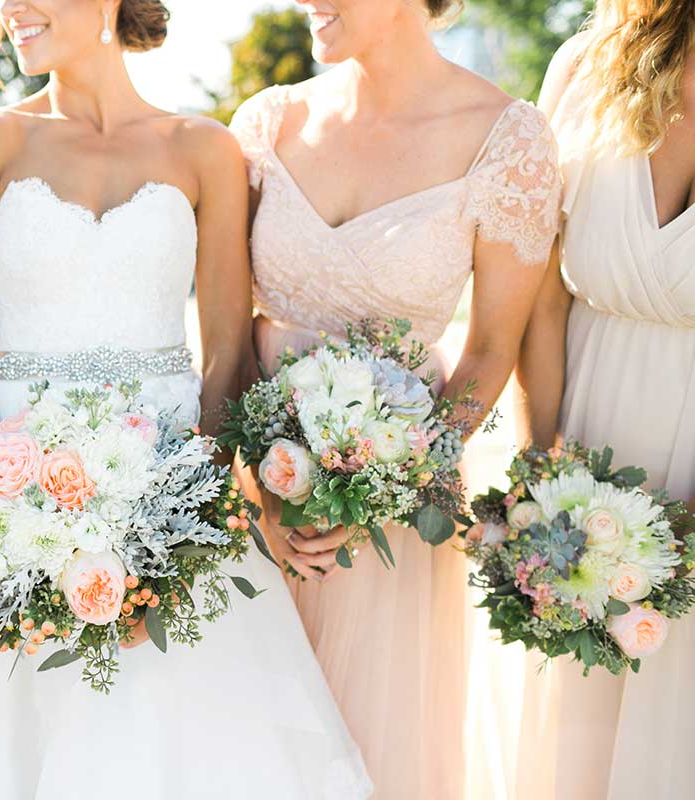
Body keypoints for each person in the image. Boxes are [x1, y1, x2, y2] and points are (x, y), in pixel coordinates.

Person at [0, 1, 371, 797]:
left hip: (176, 499)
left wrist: (177, 523)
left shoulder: (206, 150)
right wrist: (23, 522)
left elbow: (224, 361)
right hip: (7, 504)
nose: (11, 7)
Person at [229, 0, 563, 794]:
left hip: (392, 516)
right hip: (254, 503)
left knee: (375, 753)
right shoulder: (268, 123)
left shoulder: (507, 139)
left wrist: (378, 487)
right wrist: (262, 486)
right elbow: (229, 324)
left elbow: (490, 349)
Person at [516, 2, 695, 796]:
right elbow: (545, 292)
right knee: (584, 734)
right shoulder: (584, 69)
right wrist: (544, 461)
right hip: (595, 432)